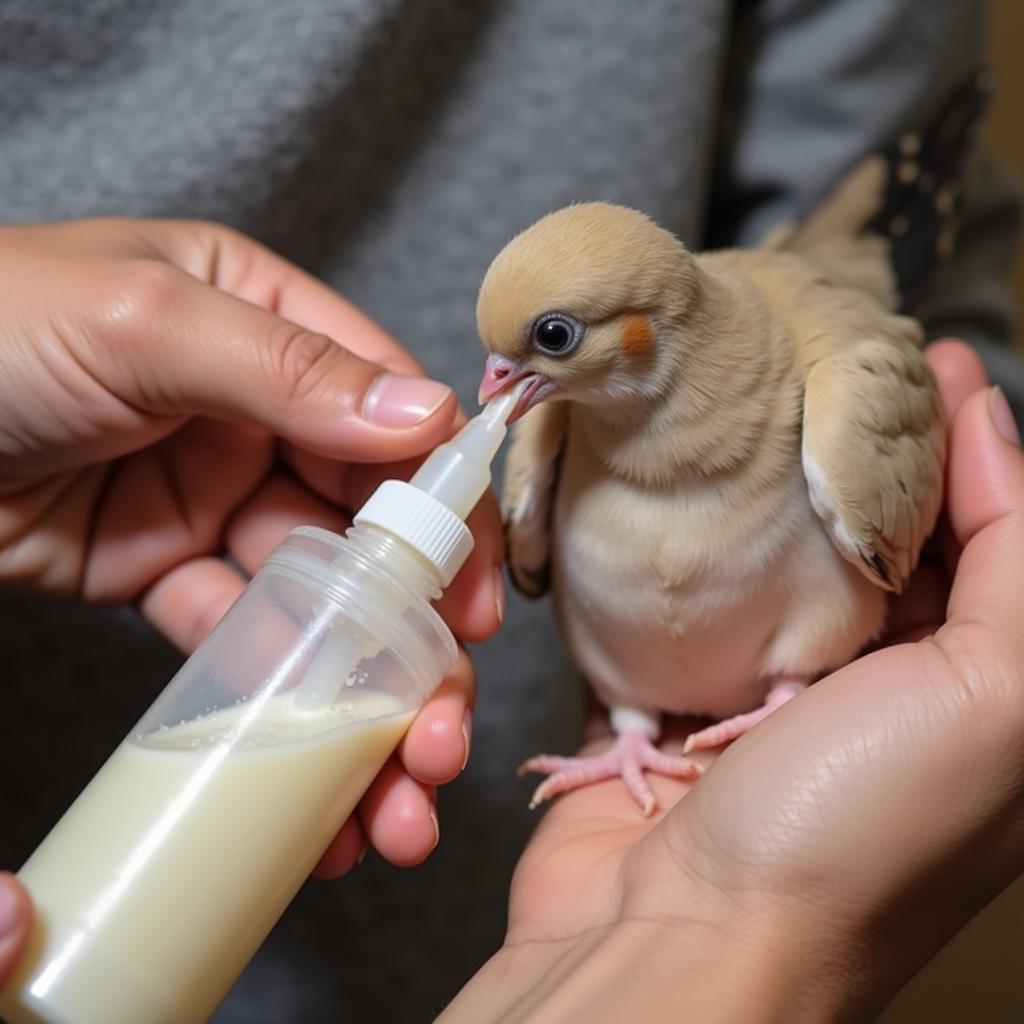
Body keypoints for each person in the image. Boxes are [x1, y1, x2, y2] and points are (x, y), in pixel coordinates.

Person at [0, 1, 1019, 1020]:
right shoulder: (549, 432)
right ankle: (628, 717)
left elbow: (940, 254)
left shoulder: (830, 404)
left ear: (641, 335)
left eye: (550, 341)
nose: (495, 386)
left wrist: (745, 909)